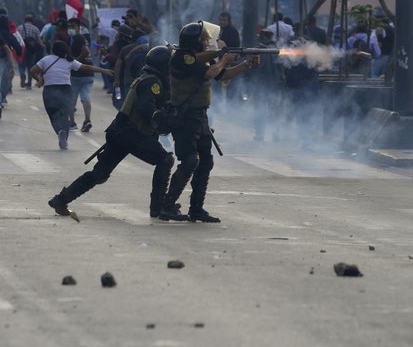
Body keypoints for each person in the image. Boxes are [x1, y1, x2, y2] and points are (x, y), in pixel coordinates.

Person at [47, 46, 177, 219]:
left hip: (120, 132)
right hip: (132, 133)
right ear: (164, 65)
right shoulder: (152, 83)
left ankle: (61, 200)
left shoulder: (147, 78)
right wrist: (166, 121)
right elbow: (147, 110)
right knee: (165, 160)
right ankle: (158, 207)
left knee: (99, 174)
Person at [159, 21, 260, 223]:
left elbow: (223, 75)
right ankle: (167, 205)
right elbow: (210, 72)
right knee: (190, 160)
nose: (208, 43)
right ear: (195, 42)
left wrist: (246, 64)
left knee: (205, 162)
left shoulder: (199, 59)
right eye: (204, 40)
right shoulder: (182, 57)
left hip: (200, 116)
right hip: (185, 116)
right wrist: (222, 58)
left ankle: (197, 209)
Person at [30, 41, 113, 150]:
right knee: (64, 115)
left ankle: (59, 131)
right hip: (66, 89)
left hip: (50, 89)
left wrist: (40, 80)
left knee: (53, 114)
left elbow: (33, 71)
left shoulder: (46, 59)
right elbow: (87, 68)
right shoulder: (70, 61)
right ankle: (64, 136)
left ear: (53, 50)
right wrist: (104, 71)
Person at [247, 29, 283, 142]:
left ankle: (260, 134)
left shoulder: (258, 49)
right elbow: (282, 67)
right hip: (273, 84)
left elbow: (251, 67)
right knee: (273, 111)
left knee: (260, 111)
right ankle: (275, 134)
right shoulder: (276, 49)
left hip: (261, 84)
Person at [66, 17, 95, 132]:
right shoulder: (83, 38)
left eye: (73, 26)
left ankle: (72, 122)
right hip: (89, 73)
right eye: (69, 26)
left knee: (71, 98)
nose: (70, 29)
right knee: (85, 97)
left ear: (78, 27)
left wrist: (76, 62)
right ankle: (87, 120)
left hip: (78, 74)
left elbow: (86, 51)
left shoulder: (77, 38)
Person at [0, 13, 21, 105]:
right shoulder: (8, 35)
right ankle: (2, 97)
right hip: (5, 59)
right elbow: (17, 47)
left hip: (5, 59)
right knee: (4, 81)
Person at [17, 13, 42, 90]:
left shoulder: (19, 28)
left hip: (22, 49)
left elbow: (16, 38)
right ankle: (29, 84)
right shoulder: (35, 29)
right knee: (31, 67)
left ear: (24, 20)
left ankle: (22, 74)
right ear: (32, 21)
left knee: (21, 65)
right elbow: (39, 42)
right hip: (32, 51)